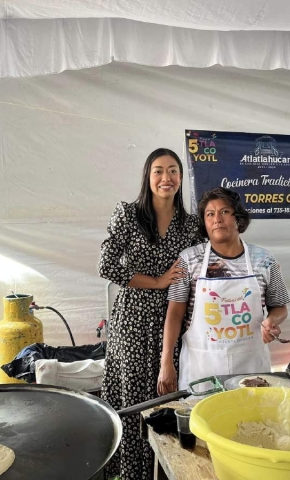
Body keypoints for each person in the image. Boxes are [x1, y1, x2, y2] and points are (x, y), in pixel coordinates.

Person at [98, 148, 202, 480]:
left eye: (173, 171)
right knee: (132, 394)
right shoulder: (128, 215)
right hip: (131, 317)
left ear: (181, 178)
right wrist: (156, 281)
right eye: (158, 171)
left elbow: (199, 267)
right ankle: (131, 473)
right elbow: (107, 265)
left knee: (165, 394)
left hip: (171, 316)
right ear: (147, 176)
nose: (165, 178)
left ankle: (163, 470)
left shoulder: (191, 224)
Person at [157, 187, 290, 395]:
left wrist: (272, 321)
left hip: (251, 366)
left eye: (224, 212)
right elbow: (174, 314)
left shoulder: (264, 260)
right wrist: (166, 362)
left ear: (238, 219)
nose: (217, 219)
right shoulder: (189, 260)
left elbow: (280, 307)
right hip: (202, 368)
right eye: (210, 214)